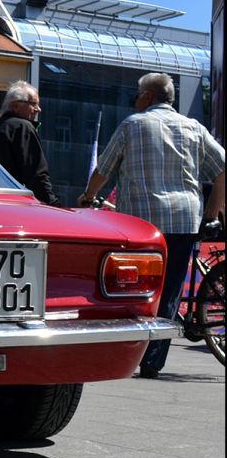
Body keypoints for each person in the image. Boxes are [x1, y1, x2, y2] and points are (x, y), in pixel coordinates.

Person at [79, 72, 225, 378]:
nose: (136, 100)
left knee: (135, 289)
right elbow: (223, 168)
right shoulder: (194, 128)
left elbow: (103, 169)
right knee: (170, 291)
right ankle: (153, 362)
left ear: (147, 97)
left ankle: (130, 353)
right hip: (184, 221)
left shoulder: (133, 125)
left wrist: (88, 196)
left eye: (137, 95)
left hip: (141, 225)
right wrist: (211, 213)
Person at [0, 80, 61, 206]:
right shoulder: (23, 128)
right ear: (16, 106)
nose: (38, 109)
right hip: (11, 204)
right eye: (33, 104)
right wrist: (53, 204)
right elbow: (36, 175)